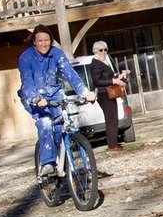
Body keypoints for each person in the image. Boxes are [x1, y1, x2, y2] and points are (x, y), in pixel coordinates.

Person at [18, 24, 96, 177]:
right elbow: (27, 82)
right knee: (46, 122)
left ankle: (61, 161)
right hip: (33, 97)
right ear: (34, 41)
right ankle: (47, 163)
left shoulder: (57, 54)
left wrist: (85, 92)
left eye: (46, 40)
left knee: (61, 124)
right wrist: (35, 98)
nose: (44, 44)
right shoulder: (25, 58)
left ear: (51, 41)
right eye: (40, 40)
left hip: (55, 95)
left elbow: (70, 74)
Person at [90, 40, 128, 151]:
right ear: (95, 51)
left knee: (114, 119)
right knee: (111, 119)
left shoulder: (104, 62)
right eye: (101, 50)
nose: (103, 52)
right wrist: (114, 81)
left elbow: (108, 77)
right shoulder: (95, 64)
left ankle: (114, 143)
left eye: (105, 50)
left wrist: (119, 77)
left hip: (109, 93)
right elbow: (97, 81)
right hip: (103, 94)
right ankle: (112, 145)